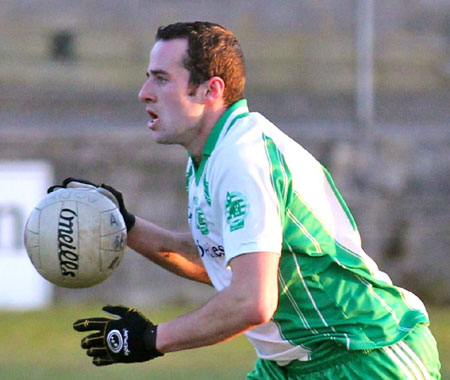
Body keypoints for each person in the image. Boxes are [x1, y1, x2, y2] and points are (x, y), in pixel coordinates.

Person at [50, 21, 441, 379]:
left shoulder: (243, 158)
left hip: (364, 356)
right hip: (293, 364)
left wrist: (153, 338)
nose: (144, 93)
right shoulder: (212, 154)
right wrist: (125, 225)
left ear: (210, 90)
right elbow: (224, 260)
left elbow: (253, 301)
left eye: (161, 79)